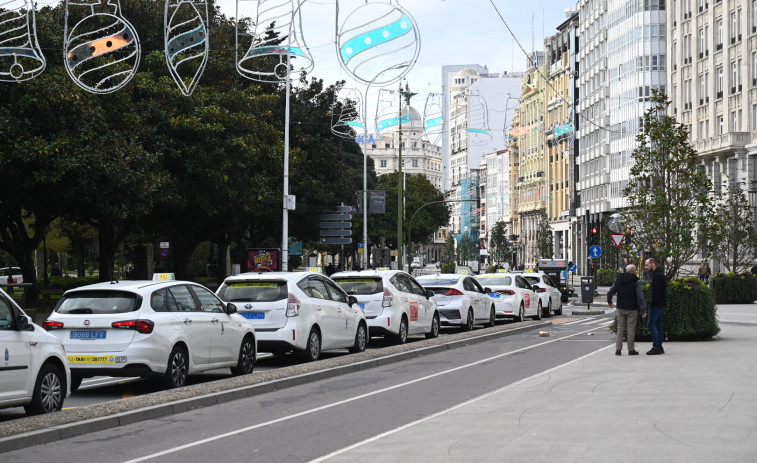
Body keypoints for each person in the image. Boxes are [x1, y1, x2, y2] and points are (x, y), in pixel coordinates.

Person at [607, 264, 646, 356]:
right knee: (631, 329)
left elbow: (610, 292)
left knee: (620, 328)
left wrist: (609, 301)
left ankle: (618, 349)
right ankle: (631, 350)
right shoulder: (636, 281)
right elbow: (640, 297)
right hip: (632, 308)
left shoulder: (618, 279)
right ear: (633, 271)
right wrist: (643, 310)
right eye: (635, 270)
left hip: (620, 307)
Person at [644, 257, 667, 355]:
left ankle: (656, 346)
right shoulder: (659, 274)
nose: (646, 267)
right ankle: (659, 346)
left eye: (647, 265)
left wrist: (652, 303)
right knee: (658, 324)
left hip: (656, 304)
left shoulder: (657, 275)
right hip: (661, 303)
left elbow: (656, 292)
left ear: (653, 264)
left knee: (651, 324)